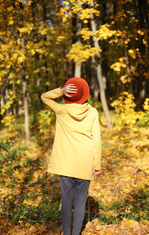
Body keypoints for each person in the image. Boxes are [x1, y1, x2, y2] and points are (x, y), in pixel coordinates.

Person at [41, 77, 101, 235]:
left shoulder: (61, 110)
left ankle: (66, 233)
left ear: (68, 95)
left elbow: (44, 96)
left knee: (66, 201)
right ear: (85, 94)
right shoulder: (92, 112)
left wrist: (61, 91)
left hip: (66, 165)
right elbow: (96, 140)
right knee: (80, 203)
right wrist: (97, 165)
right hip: (84, 164)